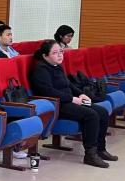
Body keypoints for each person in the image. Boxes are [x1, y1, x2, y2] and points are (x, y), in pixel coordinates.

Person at [31, 40, 116, 168]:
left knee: (102, 112)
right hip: (57, 105)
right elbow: (48, 91)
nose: (60, 55)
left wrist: (81, 94)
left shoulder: (57, 66)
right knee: (91, 115)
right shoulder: (41, 70)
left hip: (69, 101)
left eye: (61, 52)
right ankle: (90, 154)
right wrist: (71, 98)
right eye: (55, 53)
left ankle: (100, 149)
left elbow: (69, 84)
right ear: (45, 56)